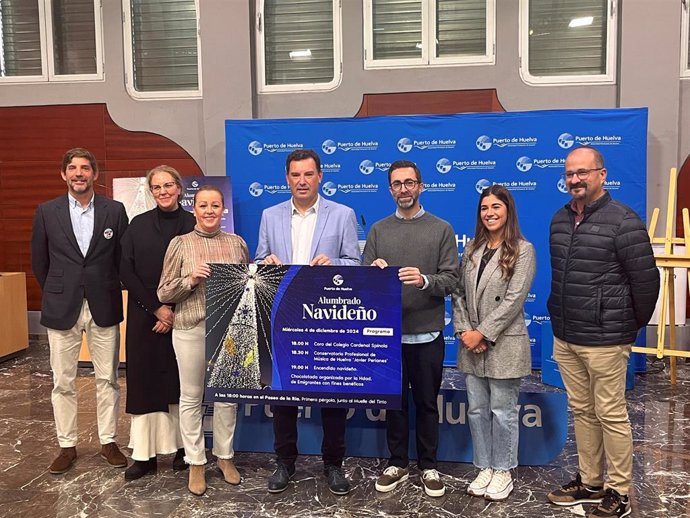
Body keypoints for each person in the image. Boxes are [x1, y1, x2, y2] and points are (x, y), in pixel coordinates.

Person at [546, 147, 659, 518]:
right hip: (566, 335)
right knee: (582, 411)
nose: (575, 179)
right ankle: (591, 483)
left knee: (611, 414)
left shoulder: (624, 221)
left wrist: (626, 328)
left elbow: (646, 283)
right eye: (569, 174)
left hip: (607, 339)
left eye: (583, 172)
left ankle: (619, 492)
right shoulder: (560, 220)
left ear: (602, 174)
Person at [255, 148, 361, 496]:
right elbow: (257, 262)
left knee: (333, 397)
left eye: (308, 174)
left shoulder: (342, 214)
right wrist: (265, 262)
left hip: (326, 320)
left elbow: (355, 264)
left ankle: (333, 464)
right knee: (282, 396)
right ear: (287, 178)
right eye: (295, 175)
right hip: (284, 319)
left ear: (320, 177)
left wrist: (334, 265)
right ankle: (285, 462)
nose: (302, 181)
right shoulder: (269, 215)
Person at [31, 147, 129, 474]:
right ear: (64, 174)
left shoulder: (115, 210)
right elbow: (39, 261)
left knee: (108, 379)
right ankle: (66, 445)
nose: (79, 173)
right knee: (63, 380)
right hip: (62, 305)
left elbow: (121, 258)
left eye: (85, 168)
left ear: (94, 175)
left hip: (104, 303)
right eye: (72, 168)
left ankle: (108, 441)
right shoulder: (47, 211)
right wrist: (58, 291)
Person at [364, 160, 458, 498]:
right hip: (386, 335)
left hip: (427, 333)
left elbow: (452, 278)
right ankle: (398, 463)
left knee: (427, 403)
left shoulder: (441, 229)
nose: (404, 189)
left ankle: (429, 466)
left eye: (409, 182)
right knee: (394, 403)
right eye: (397, 184)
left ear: (420, 186)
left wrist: (424, 280)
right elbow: (363, 278)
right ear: (390, 190)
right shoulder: (378, 230)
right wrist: (372, 272)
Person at [158, 185, 250, 496]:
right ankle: (195, 461)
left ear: (223, 209)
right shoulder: (180, 244)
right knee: (191, 397)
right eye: (203, 205)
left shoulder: (237, 244)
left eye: (215, 205)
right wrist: (190, 280)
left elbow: (248, 287)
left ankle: (224, 457)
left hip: (230, 331)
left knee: (226, 396)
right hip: (190, 328)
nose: (209, 211)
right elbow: (164, 292)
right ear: (194, 209)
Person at [452, 185, 536, 501]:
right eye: (484, 207)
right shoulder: (471, 248)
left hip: (503, 343)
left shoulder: (523, 249)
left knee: (502, 410)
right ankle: (484, 466)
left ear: (508, 210)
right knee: (476, 409)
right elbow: (458, 292)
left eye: (496, 206)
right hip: (470, 343)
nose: (489, 212)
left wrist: (483, 333)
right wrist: (465, 331)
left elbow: (514, 299)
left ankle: (503, 471)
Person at [119, 166, 195, 480]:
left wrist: (172, 309)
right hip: (144, 315)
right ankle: (144, 456)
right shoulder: (137, 225)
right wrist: (155, 308)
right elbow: (125, 270)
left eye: (168, 185)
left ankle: (182, 450)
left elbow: (202, 271)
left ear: (179, 188)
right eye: (156, 187)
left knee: (180, 384)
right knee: (144, 382)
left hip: (184, 312)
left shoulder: (193, 224)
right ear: (151, 191)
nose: (163, 191)